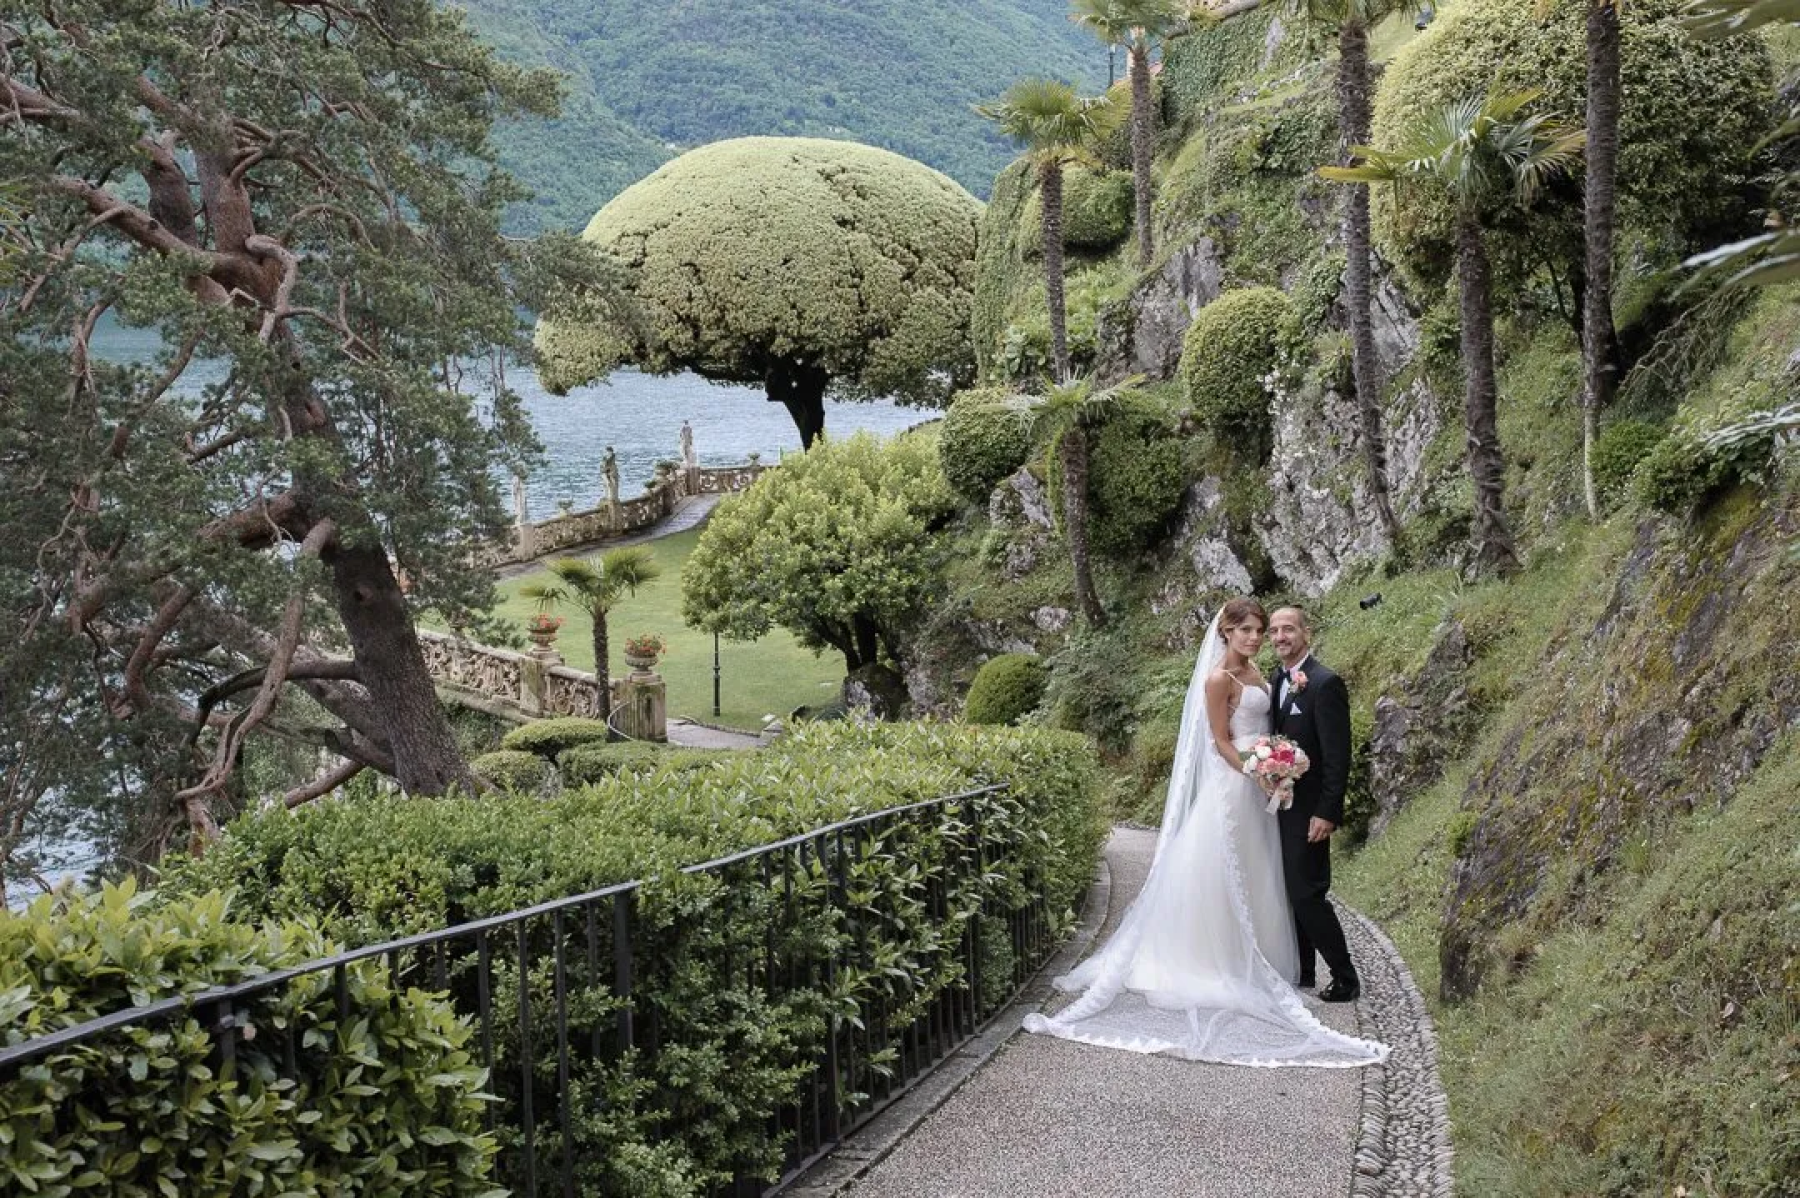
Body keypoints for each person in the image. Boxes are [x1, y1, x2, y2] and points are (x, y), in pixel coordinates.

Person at [1022, 598, 1386, 1067]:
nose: (1260, 638)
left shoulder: (1279, 677)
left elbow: (1318, 746)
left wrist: (1286, 778)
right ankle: (1236, 962)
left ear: (1303, 632)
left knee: (1278, 880)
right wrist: (1255, 771)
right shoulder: (1221, 679)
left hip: (1276, 795)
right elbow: (1219, 740)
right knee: (1238, 876)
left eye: (1268, 630)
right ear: (1226, 634)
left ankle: (1302, 968)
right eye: (1251, 631)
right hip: (1240, 791)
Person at [1267, 605, 1362, 1001]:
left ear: (1306, 633)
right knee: (1292, 890)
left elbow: (1338, 756)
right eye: (1273, 631)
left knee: (1308, 892)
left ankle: (1345, 977)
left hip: (1311, 810)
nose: (1279, 637)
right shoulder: (1278, 679)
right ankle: (1304, 971)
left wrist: (1327, 811)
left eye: (1288, 629)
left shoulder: (1326, 683)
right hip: (1282, 804)